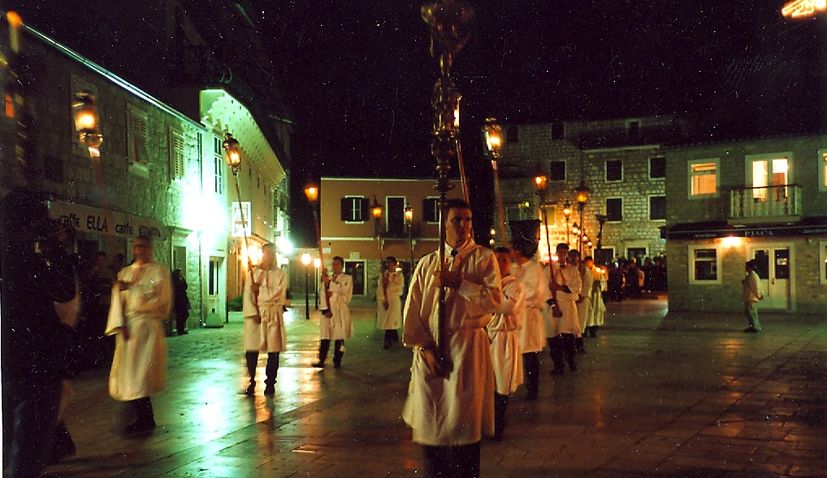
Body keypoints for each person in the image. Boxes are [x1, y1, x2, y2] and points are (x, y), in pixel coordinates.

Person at [402, 199, 501, 478]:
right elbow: (412, 310)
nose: (463, 225)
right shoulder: (428, 262)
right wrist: (425, 347)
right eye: (456, 219)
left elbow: (494, 300)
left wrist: (460, 283)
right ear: (444, 223)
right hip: (431, 350)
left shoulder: (483, 258)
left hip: (467, 350)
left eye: (467, 220)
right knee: (432, 427)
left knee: (463, 427)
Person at [2, 192, 80, 478]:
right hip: (35, 364)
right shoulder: (27, 260)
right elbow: (63, 291)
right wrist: (57, 248)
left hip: (11, 362)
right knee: (28, 449)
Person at [105, 235, 172, 434]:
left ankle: (144, 417)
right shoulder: (125, 273)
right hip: (130, 328)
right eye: (137, 247)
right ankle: (141, 416)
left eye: (144, 246)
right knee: (131, 373)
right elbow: (118, 301)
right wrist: (120, 324)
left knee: (142, 374)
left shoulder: (159, 272)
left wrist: (136, 289)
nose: (140, 251)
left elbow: (163, 301)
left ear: (150, 249)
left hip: (148, 328)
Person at [487, 247, 524, 441]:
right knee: (487, 385)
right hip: (487, 338)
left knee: (501, 385)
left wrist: (487, 296)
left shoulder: (513, 285)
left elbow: (507, 307)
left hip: (503, 339)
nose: (500, 263)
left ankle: (498, 427)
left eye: (504, 260)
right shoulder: (489, 283)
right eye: (496, 259)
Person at [241, 244, 288, 395]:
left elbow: (277, 293)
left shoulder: (280, 274)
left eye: (274, 253)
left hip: (272, 313)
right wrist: (253, 312)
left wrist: (259, 290)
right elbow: (247, 295)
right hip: (255, 316)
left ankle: (270, 383)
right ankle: (252, 380)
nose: (272, 256)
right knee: (251, 349)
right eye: (269, 253)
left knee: (273, 350)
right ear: (263, 254)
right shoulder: (253, 274)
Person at [512, 220, 547, 400]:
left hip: (529, 316)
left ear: (518, 250)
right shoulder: (512, 268)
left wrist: (519, 291)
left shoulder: (535, 269)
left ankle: (533, 388)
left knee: (530, 354)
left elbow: (538, 292)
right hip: (515, 317)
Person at [313, 256, 353, 368]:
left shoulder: (347, 278)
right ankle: (321, 359)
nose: (335, 266)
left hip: (340, 310)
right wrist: (325, 309)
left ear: (342, 266)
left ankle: (337, 360)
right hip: (328, 311)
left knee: (339, 336)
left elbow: (344, 291)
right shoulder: (328, 279)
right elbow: (322, 294)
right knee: (325, 335)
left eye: (337, 264)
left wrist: (330, 287)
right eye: (333, 264)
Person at [549, 248, 582, 374]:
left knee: (568, 336)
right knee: (554, 337)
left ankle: (571, 362)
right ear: (557, 253)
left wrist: (560, 287)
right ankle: (558, 365)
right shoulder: (550, 269)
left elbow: (576, 287)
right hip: (554, 305)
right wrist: (552, 304)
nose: (562, 255)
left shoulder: (573, 270)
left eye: (564, 253)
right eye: (560, 252)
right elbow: (546, 287)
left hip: (568, 306)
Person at [376, 256, 404, 349]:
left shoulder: (399, 275)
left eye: (390, 263)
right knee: (386, 321)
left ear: (395, 264)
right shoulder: (383, 275)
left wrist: (389, 283)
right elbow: (380, 288)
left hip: (394, 300)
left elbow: (399, 288)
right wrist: (383, 299)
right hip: (385, 299)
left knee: (392, 320)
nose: (388, 265)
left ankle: (390, 339)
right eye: (387, 263)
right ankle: (390, 338)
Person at [576, 255, 595, 354]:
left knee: (581, 322)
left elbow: (588, 284)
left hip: (582, 300)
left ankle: (579, 344)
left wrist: (582, 295)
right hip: (572, 300)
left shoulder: (586, 271)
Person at [584, 258, 606, 337]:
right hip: (588, 294)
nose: (588, 264)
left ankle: (593, 330)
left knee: (596, 311)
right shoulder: (583, 270)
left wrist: (599, 283)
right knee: (587, 312)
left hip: (596, 294)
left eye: (589, 262)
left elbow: (603, 281)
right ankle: (585, 329)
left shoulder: (597, 271)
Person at [742, 260, 763, 333]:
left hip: (751, 298)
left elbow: (755, 287)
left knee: (752, 313)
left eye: (747, 267)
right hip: (749, 297)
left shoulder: (752, 276)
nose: (745, 268)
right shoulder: (750, 276)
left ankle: (755, 327)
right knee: (749, 313)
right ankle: (753, 326)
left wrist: (758, 295)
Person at [171, 269, 191, 336]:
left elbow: (185, 286)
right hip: (178, 299)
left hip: (183, 298)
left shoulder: (181, 279)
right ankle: (180, 330)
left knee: (185, 314)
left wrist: (183, 279)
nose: (181, 274)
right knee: (179, 315)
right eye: (180, 273)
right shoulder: (174, 280)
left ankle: (181, 329)